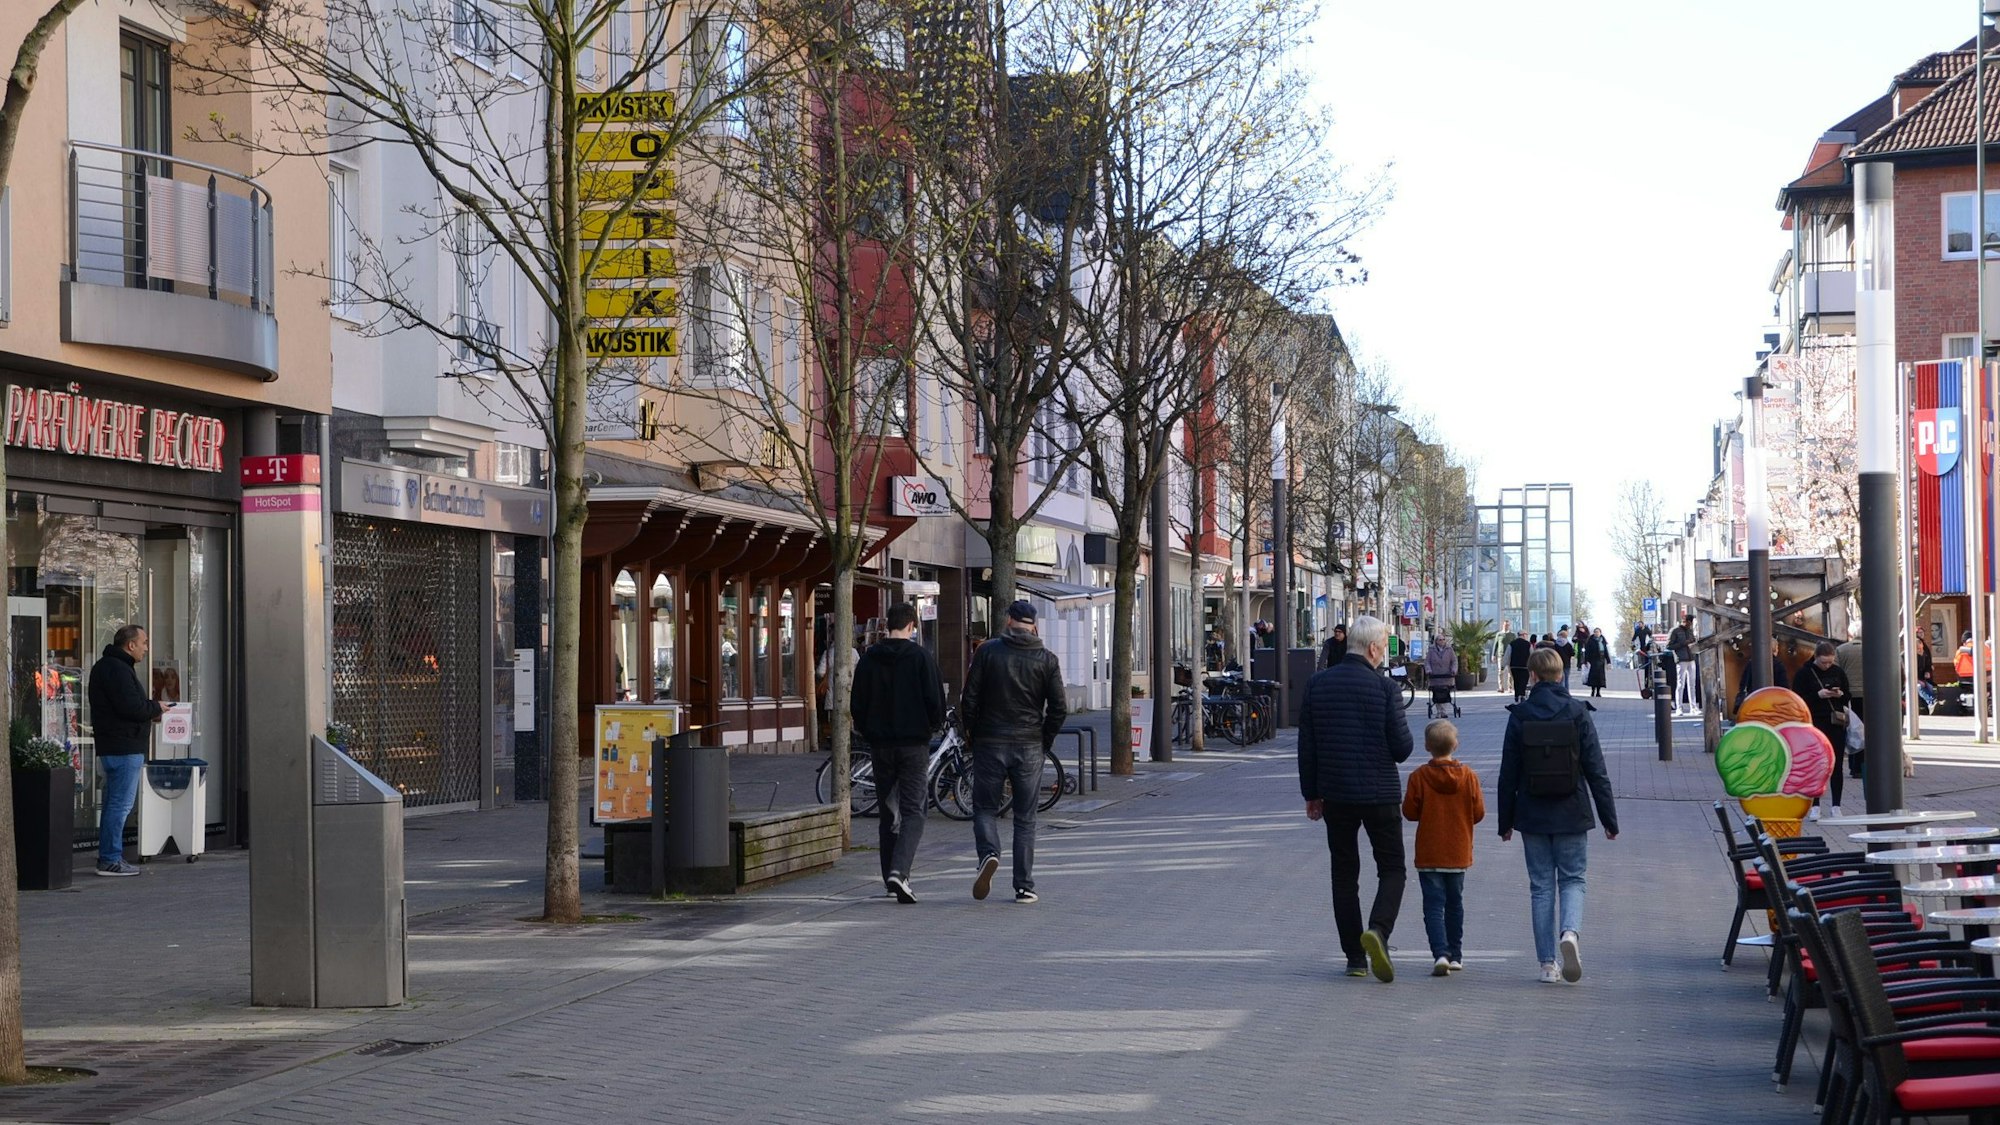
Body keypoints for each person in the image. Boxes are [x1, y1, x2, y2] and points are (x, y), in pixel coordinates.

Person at [1297, 615, 1414, 982]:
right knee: (1393, 868)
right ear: (1374, 648)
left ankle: (1354, 959)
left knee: (1344, 874)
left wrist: (1312, 794)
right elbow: (1402, 749)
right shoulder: (1385, 690)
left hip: (1336, 795)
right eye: (1383, 647)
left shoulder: (1317, 685)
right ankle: (1377, 931)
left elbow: (1307, 747)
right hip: (1379, 793)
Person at [1498, 648, 1619, 984]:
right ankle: (1570, 933)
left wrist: (1504, 822)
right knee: (1573, 879)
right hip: (1571, 810)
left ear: (1533, 676)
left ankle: (1548, 965)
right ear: (1562, 675)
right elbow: (1596, 770)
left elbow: (1508, 773)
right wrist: (1609, 820)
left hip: (1532, 813)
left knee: (1540, 887)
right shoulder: (1578, 712)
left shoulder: (1520, 715)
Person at [959, 600, 1067, 904]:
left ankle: (989, 853)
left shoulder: (988, 651)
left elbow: (970, 698)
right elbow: (1059, 708)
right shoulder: (1047, 660)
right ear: (1033, 625)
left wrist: (972, 735)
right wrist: (1044, 740)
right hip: (1029, 744)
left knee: (983, 808)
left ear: (1009, 621)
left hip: (990, 741)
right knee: (1025, 817)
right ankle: (1024, 886)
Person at [850, 603, 946, 904]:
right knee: (915, 810)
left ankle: (891, 877)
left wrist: (870, 732)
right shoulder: (921, 658)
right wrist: (932, 726)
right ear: (911, 626)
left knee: (888, 811)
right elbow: (935, 700)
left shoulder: (868, 660)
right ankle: (900, 872)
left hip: (880, 746)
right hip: (913, 744)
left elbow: (857, 704)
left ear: (888, 625)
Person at [1403, 719, 1485, 977]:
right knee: (1455, 903)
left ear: (1427, 746)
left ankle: (1441, 953)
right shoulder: (1469, 776)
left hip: (1429, 851)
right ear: (1456, 744)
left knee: (1433, 905)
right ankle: (1457, 954)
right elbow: (1479, 812)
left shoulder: (1419, 777)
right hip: (1458, 850)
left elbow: (1409, 812)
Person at [87, 624, 163, 877]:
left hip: (115, 745)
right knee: (119, 805)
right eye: (144, 642)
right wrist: (155, 708)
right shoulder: (117, 669)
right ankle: (110, 859)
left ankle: (109, 857)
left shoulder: (109, 667)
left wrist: (148, 710)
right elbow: (131, 707)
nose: (146, 648)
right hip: (123, 747)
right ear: (130, 645)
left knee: (114, 804)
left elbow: (125, 707)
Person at [1793, 640, 1854, 821]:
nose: (1827, 666)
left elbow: (1848, 695)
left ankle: (1836, 806)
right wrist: (1817, 695)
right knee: (1816, 764)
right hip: (1814, 723)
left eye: (1830, 662)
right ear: (1816, 658)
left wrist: (1840, 694)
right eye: (1823, 662)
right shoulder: (1805, 673)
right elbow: (1797, 699)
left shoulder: (1838, 672)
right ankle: (1815, 806)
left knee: (1836, 765)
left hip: (1836, 723)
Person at [1668, 613, 1698, 716]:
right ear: (1686, 622)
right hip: (1681, 659)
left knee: (1692, 684)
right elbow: (1669, 645)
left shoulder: (1689, 630)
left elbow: (1692, 639)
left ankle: (1693, 707)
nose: (1690, 626)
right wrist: (1683, 643)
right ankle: (1679, 708)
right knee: (1681, 684)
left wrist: (1693, 641)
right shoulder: (1675, 631)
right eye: (1689, 623)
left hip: (1691, 658)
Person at [1584, 627, 1610, 699]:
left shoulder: (1603, 641)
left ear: (1600, 633)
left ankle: (1598, 692)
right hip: (1593, 661)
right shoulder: (1590, 641)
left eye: (1598, 632)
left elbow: (1606, 652)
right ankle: (1592, 691)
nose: (1596, 633)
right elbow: (1587, 652)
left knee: (1600, 678)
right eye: (1595, 632)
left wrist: (1608, 661)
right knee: (1593, 677)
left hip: (1601, 661)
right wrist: (1586, 661)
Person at [1508, 630, 1533, 702]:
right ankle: (1522, 695)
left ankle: (1516, 695)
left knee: (1516, 680)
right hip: (1525, 666)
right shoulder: (1528, 644)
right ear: (1523, 635)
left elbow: (1507, 654)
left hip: (1514, 666)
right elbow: (1532, 654)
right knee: (1523, 681)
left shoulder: (1512, 644)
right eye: (1526, 634)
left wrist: (1504, 665)